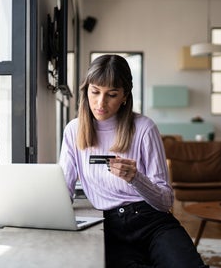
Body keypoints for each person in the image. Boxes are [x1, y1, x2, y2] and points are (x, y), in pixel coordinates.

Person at [59, 54, 208, 268]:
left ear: (125, 96)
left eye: (111, 94)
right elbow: (65, 189)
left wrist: (136, 178)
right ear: (86, 90)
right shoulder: (74, 131)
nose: (101, 103)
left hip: (153, 221)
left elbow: (165, 202)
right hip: (110, 227)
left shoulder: (144, 128)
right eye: (95, 92)